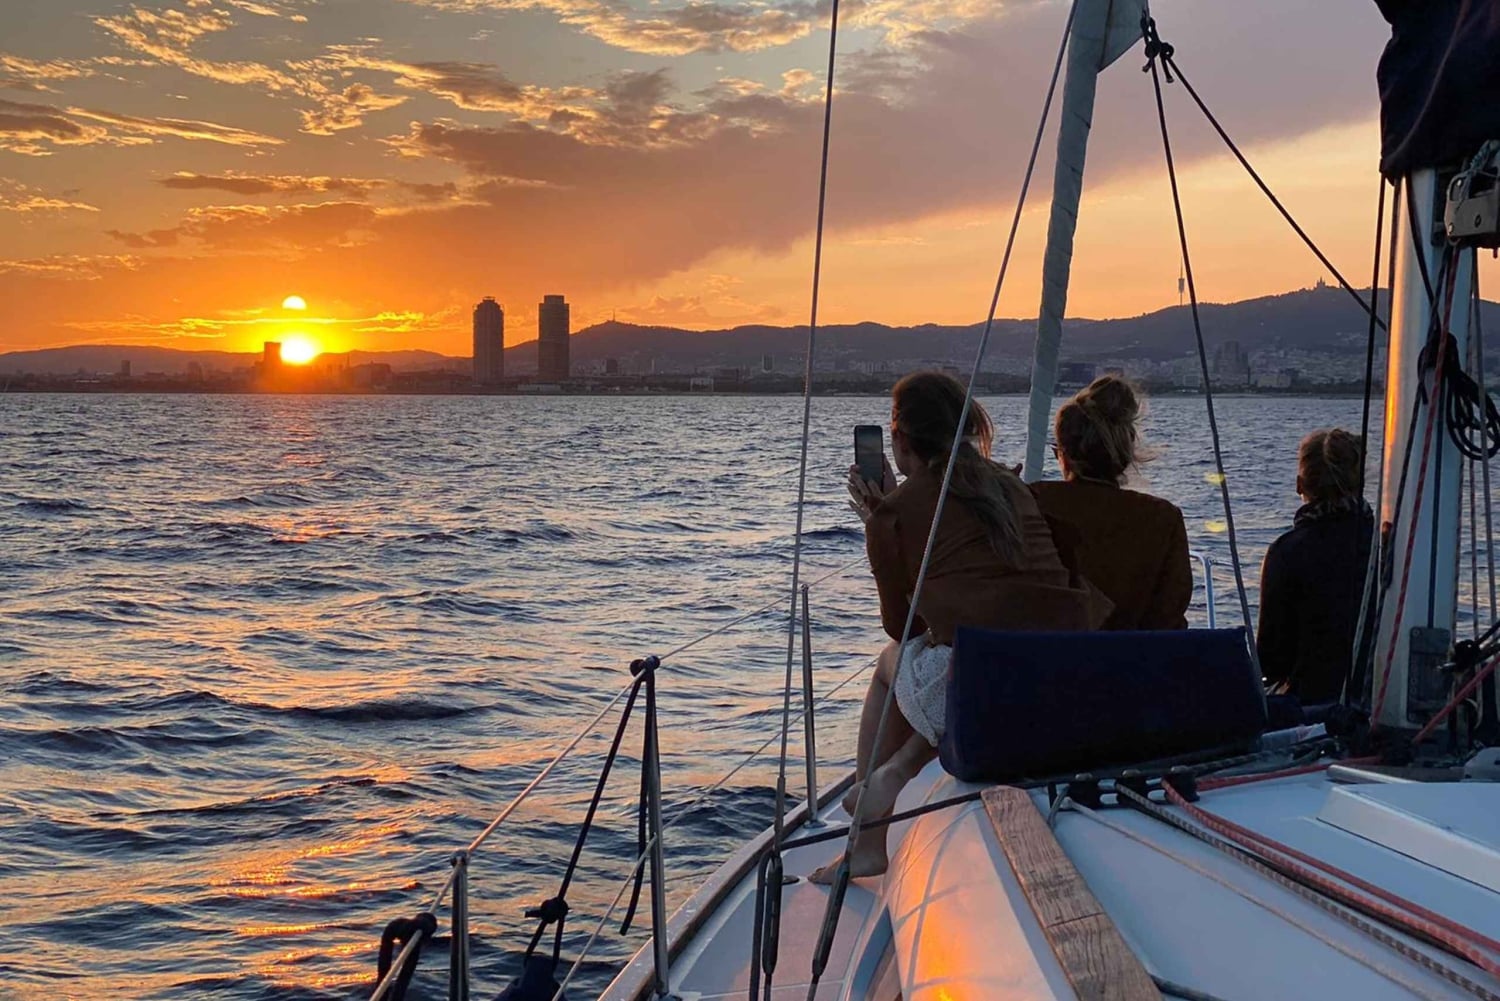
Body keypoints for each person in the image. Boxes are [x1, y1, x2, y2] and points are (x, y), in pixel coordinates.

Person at [812, 372, 1109, 883]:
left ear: (900, 440)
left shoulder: (898, 511)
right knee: (966, 653)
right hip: (1067, 666)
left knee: (891, 664)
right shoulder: (1009, 485)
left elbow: (900, 627)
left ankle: (866, 842)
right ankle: (898, 770)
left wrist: (876, 523)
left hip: (983, 678)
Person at [1031, 376, 1193, 630]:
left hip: (1041, 663)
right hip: (1132, 665)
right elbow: (1168, 621)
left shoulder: (1028, 502)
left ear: (1062, 455)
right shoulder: (1163, 519)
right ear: (1126, 453)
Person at [1257, 428, 1373, 704]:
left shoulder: (1287, 552)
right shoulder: (1388, 544)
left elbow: (1270, 662)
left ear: (1300, 485)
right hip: (1377, 696)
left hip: (1313, 706)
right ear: (1360, 483)